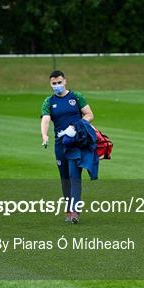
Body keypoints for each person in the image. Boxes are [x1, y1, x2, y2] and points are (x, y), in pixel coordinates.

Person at [40, 70, 95, 224]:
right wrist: (44, 135)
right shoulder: (49, 101)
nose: (57, 86)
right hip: (60, 145)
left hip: (76, 143)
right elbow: (45, 119)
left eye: (59, 82)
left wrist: (76, 126)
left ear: (65, 81)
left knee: (75, 176)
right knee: (65, 178)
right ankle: (69, 210)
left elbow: (89, 114)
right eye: (54, 83)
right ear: (50, 84)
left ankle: (75, 212)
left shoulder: (76, 97)